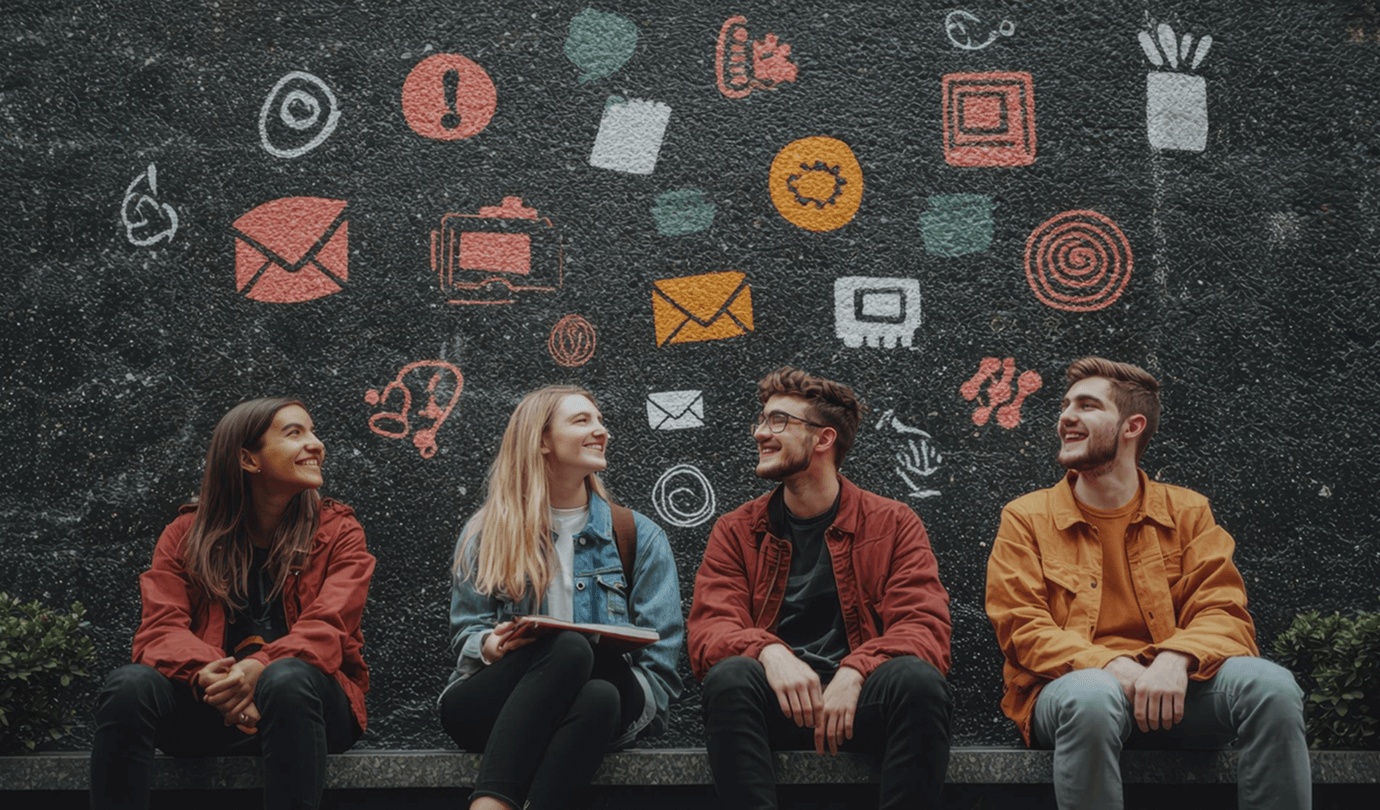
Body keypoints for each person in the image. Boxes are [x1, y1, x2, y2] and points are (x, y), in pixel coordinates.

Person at [985, 357, 1310, 810]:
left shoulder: (1188, 511)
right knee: (1093, 695)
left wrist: (1175, 659)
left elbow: (1224, 610)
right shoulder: (1026, 517)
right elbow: (1022, 628)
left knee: (1271, 686)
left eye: (1087, 405)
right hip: (1073, 693)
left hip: (1177, 693)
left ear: (1131, 426)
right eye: (1064, 405)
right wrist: (1115, 666)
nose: (1066, 416)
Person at [688, 367, 953, 810]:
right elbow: (709, 631)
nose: (760, 433)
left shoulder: (893, 522)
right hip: (777, 706)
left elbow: (924, 628)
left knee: (919, 681)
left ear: (823, 439)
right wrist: (770, 653)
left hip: (859, 704)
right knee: (730, 676)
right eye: (761, 421)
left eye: (778, 421)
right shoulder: (736, 530)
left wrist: (856, 671)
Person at [90, 397, 374, 810]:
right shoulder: (184, 535)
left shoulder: (340, 532)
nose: (316, 444)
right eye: (295, 433)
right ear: (247, 459)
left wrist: (258, 668)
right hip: (209, 708)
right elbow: (159, 629)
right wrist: (214, 676)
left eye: (313, 431)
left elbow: (329, 627)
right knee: (129, 686)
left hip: (307, 710)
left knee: (286, 678)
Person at [439, 385, 684, 810]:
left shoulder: (638, 535)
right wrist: (493, 646)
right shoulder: (487, 533)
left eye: (600, 420)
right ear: (541, 440)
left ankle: (491, 804)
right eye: (582, 421)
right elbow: (467, 633)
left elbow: (658, 664)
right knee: (581, 671)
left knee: (596, 682)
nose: (600, 430)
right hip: (497, 706)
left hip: (613, 703)